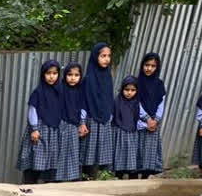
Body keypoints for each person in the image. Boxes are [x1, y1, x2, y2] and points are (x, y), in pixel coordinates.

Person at [16, 60, 61, 185]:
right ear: (43, 74)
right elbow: (32, 110)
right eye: (48, 73)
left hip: (53, 130)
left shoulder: (59, 92)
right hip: (39, 130)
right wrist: (34, 129)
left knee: (50, 163)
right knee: (34, 160)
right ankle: (29, 186)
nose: (51, 76)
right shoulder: (38, 92)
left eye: (55, 73)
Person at [82, 42, 115, 179]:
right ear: (96, 57)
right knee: (89, 156)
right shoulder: (89, 78)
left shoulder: (108, 77)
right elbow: (83, 102)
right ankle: (86, 180)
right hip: (92, 122)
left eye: (108, 56)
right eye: (103, 56)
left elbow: (109, 98)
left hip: (105, 121)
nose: (106, 59)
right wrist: (83, 122)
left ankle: (100, 181)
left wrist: (109, 115)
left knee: (103, 156)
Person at [54, 62, 88, 183]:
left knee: (73, 153)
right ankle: (56, 180)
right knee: (59, 153)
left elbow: (83, 108)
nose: (73, 78)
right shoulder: (60, 89)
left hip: (74, 126)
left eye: (76, 75)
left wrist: (82, 123)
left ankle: (71, 181)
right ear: (65, 75)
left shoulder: (81, 91)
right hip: (61, 125)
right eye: (69, 74)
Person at [136, 52, 166, 179]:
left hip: (154, 122)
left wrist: (156, 119)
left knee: (150, 154)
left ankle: (145, 179)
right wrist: (147, 119)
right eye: (146, 65)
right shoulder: (137, 83)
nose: (149, 68)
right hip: (139, 122)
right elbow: (135, 102)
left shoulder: (159, 84)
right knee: (138, 152)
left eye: (153, 66)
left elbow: (161, 102)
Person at [112, 76, 141, 179]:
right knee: (120, 155)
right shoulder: (117, 101)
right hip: (119, 133)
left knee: (132, 156)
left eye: (133, 90)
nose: (129, 92)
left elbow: (139, 118)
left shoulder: (137, 103)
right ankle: (119, 176)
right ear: (122, 89)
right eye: (126, 90)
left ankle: (132, 177)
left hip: (133, 134)